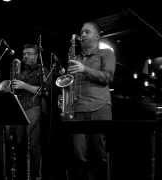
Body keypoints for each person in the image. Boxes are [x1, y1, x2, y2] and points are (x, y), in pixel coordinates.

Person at [65, 21, 116, 180]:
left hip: (99, 108)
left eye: (87, 32)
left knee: (99, 155)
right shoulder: (76, 57)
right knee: (78, 155)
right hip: (77, 109)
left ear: (97, 36)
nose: (83, 35)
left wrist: (84, 69)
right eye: (82, 32)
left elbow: (107, 77)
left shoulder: (106, 54)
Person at [10, 43, 48, 180]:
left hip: (34, 107)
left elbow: (44, 91)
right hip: (20, 109)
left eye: (29, 53)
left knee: (33, 145)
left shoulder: (42, 70)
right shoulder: (22, 72)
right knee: (19, 144)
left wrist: (24, 85)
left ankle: (35, 175)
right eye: (24, 53)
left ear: (36, 55)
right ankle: (21, 175)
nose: (25, 56)